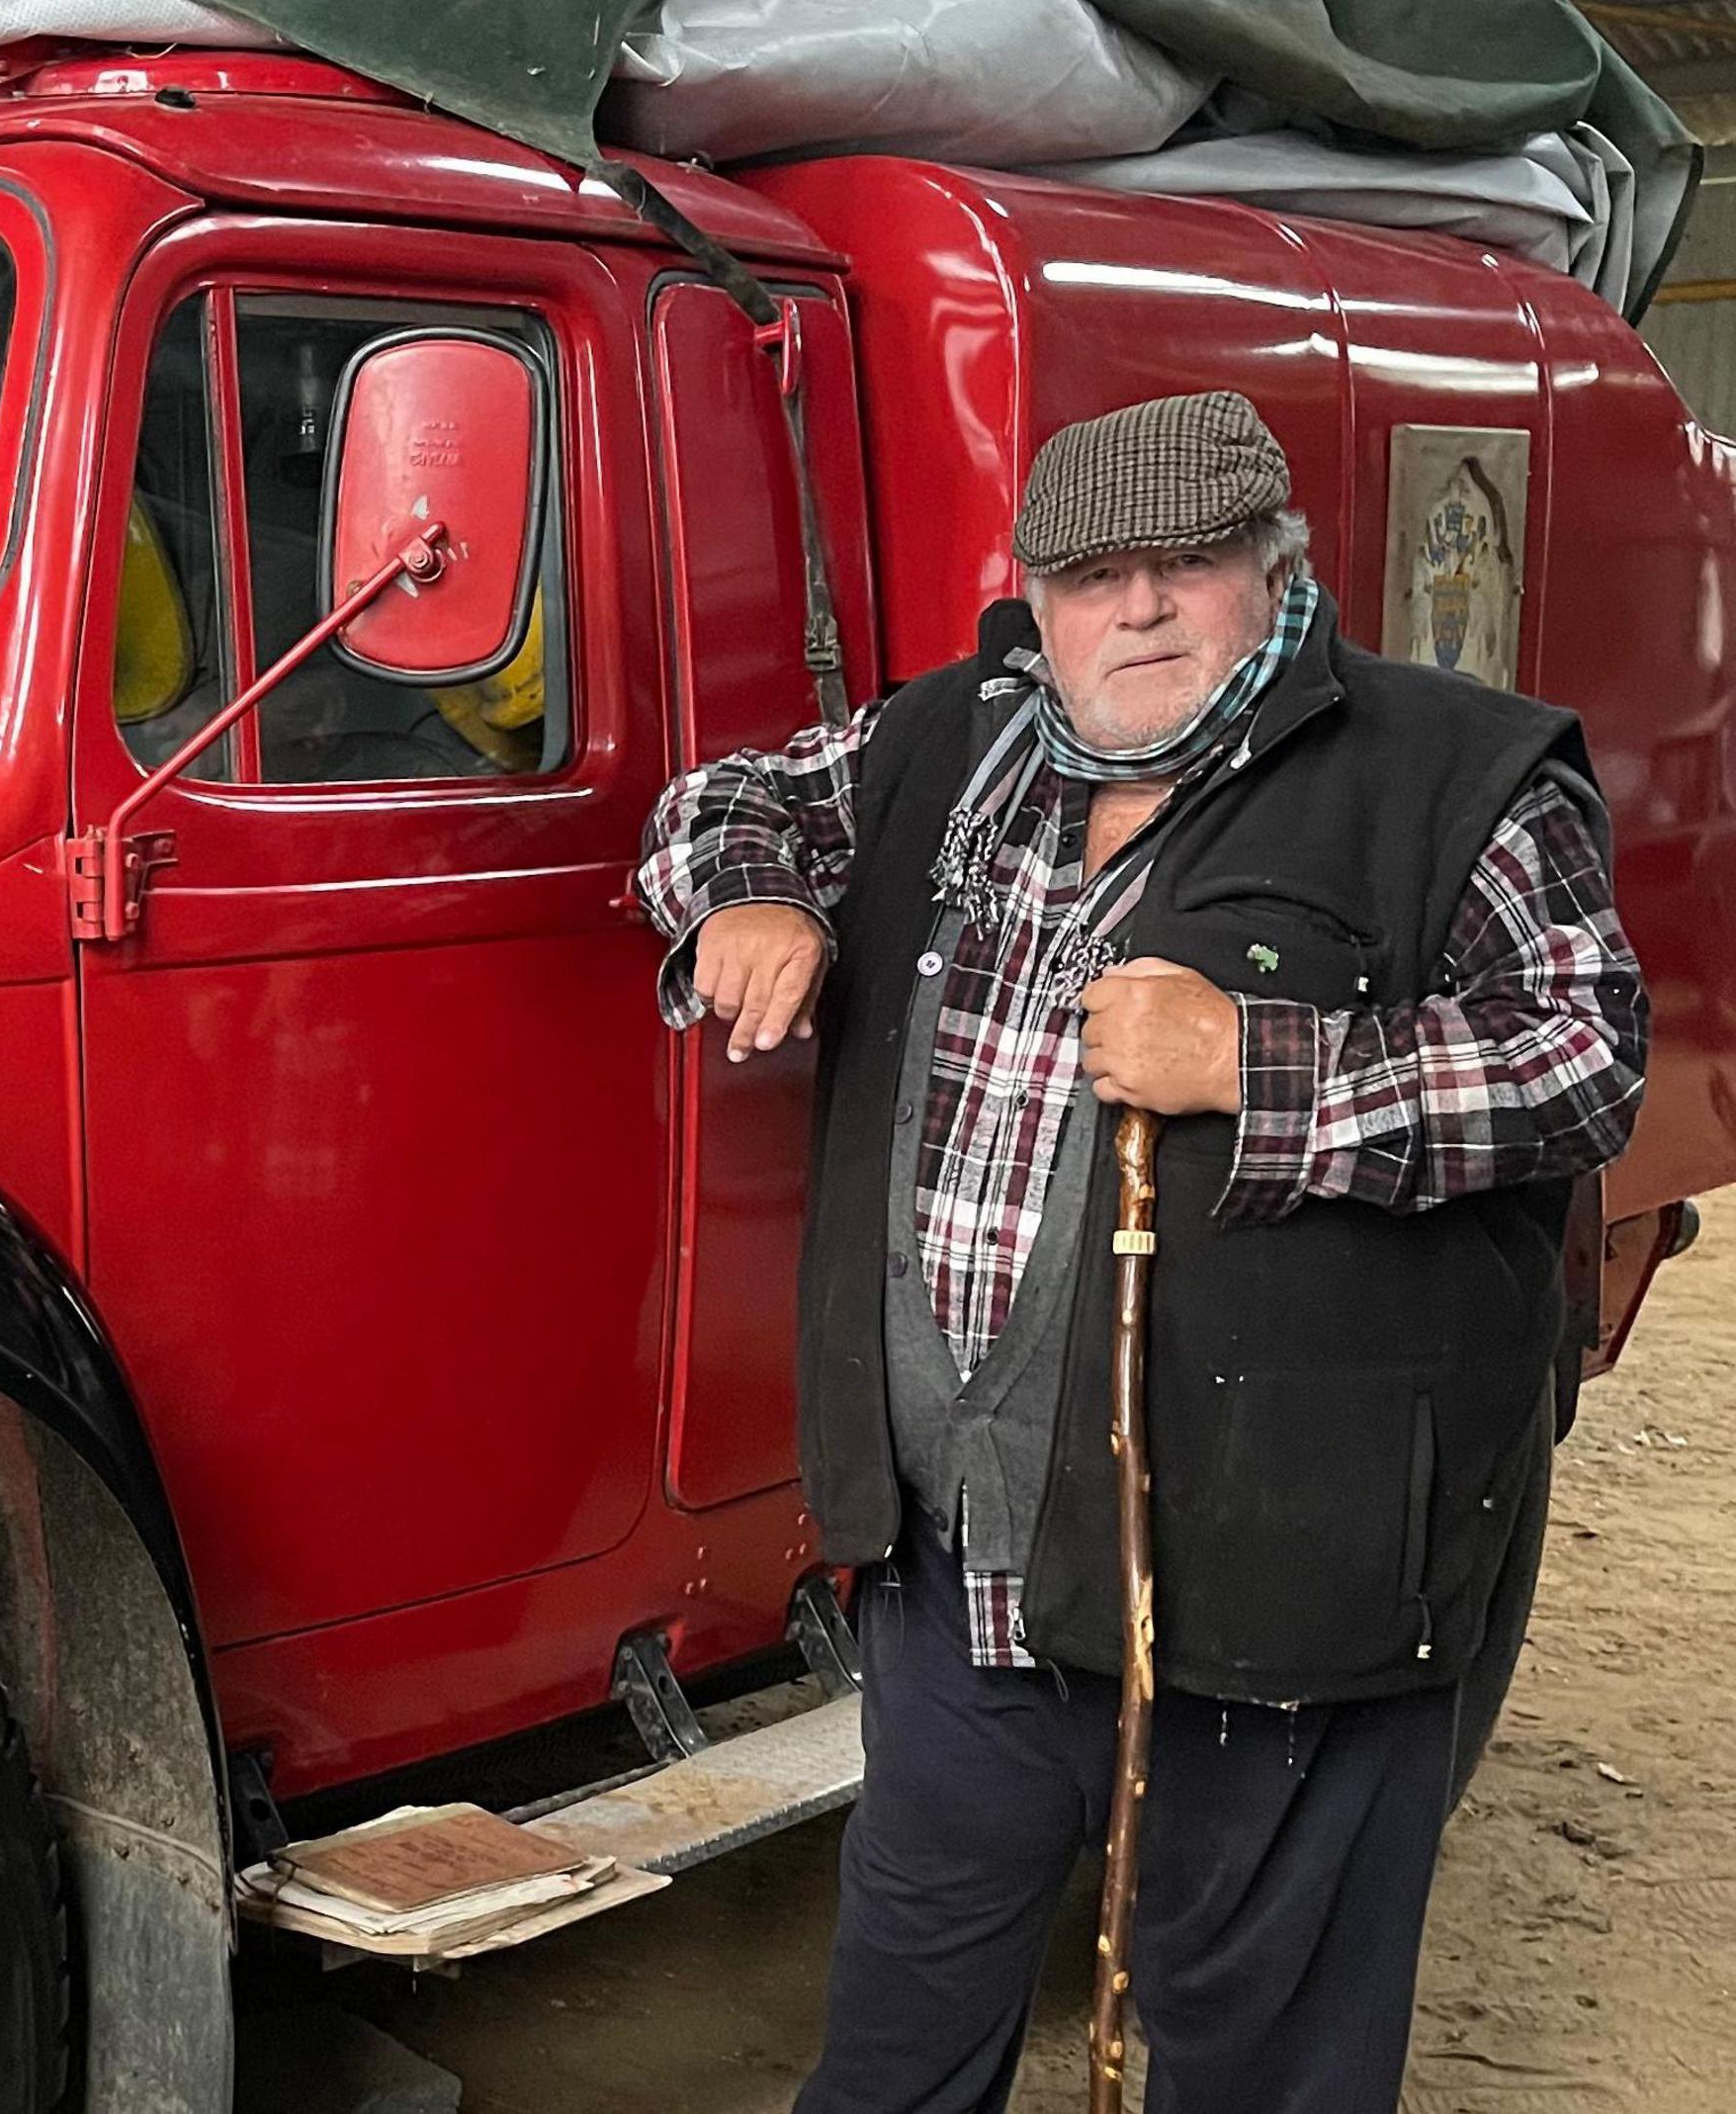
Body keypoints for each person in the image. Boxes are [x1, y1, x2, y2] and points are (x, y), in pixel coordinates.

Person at [633, 390, 1647, 2113]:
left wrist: (1257, 1067)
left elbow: (1583, 1054)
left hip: (1285, 1566)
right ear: (1034, 594)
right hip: (974, 1562)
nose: (1144, 608)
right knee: (897, 2030)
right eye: (1095, 575)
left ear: (1282, 570)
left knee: (1258, 2048)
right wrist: (750, 895)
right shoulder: (954, 739)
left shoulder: (1450, 772)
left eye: (1192, 564)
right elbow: (719, 801)